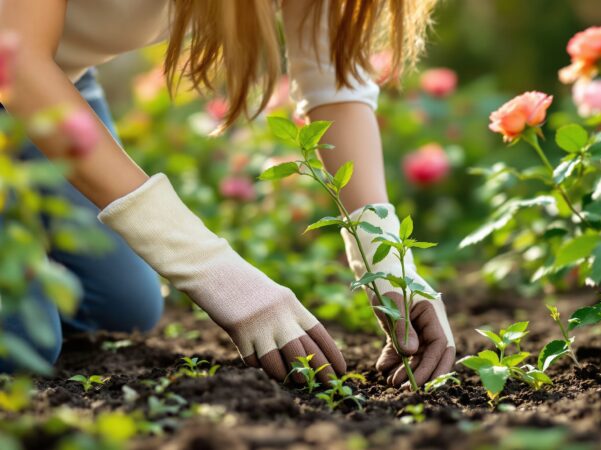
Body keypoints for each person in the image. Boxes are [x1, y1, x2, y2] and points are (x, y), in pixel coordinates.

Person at [0, 0, 455, 388]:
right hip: (22, 70)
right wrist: (210, 268)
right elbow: (17, 63)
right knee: (23, 342)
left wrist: (388, 262)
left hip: (58, 82)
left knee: (122, 305)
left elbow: (333, 81)